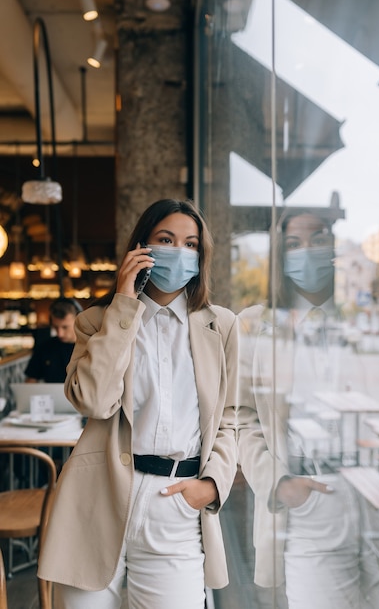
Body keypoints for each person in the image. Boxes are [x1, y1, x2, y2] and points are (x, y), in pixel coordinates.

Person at [38, 198, 239, 609]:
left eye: (191, 243)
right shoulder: (97, 320)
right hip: (97, 497)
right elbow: (92, 401)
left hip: (176, 504)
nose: (179, 251)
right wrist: (124, 305)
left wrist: (211, 485)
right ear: (141, 247)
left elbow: (232, 419)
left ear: (201, 256)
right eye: (166, 239)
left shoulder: (222, 327)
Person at [237, 196, 379, 608]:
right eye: (294, 244)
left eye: (318, 240)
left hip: (371, 496)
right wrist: (279, 482)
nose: (307, 252)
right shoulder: (255, 325)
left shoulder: (354, 322)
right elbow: (240, 419)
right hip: (309, 499)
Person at [25, 298, 81, 383]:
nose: (60, 334)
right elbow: (30, 380)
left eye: (65, 327)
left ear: (79, 321)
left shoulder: (90, 348)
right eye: (55, 327)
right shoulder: (44, 348)